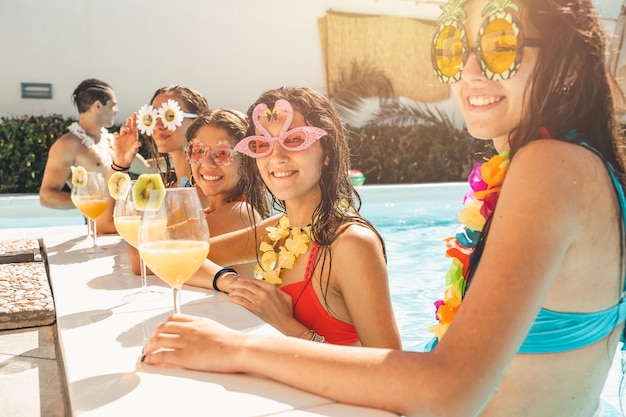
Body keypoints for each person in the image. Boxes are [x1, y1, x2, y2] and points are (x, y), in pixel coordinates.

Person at [143, 1, 626, 415]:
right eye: (455, 48)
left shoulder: (551, 166)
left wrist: (240, 347)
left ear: (566, 62)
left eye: (503, 44)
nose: (470, 71)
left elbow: (449, 390)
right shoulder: (562, 163)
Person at [184, 87, 401, 348]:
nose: (277, 157)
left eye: (295, 140)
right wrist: (230, 281)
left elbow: (390, 374)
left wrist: (287, 325)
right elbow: (182, 257)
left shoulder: (351, 244)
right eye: (263, 144)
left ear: (327, 153)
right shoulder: (278, 230)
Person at [113, 85, 210, 274]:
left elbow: (141, 257)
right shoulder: (168, 186)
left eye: (169, 115)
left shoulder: (203, 188)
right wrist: (120, 163)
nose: (158, 125)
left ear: (197, 122)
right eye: (153, 116)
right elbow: (104, 224)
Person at [39, 78, 150, 234]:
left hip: (128, 222)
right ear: (98, 106)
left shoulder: (112, 140)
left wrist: (183, 151)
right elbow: (46, 196)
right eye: (113, 105)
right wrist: (89, 199)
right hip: (99, 232)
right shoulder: (67, 145)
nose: (117, 109)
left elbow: (148, 169)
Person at [183, 109, 271, 277]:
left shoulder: (240, 213)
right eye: (198, 151)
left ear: (246, 163)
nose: (207, 163)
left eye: (222, 153)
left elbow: (142, 258)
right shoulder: (212, 211)